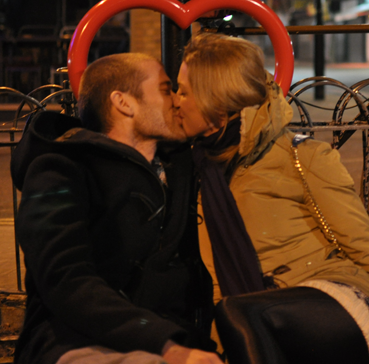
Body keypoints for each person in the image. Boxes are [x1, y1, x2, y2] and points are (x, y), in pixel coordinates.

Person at [173, 33, 369, 364]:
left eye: (184, 91)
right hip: (258, 319)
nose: (174, 100)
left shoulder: (303, 156)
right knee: (241, 315)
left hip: (339, 304)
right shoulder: (198, 167)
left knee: (239, 312)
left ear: (217, 101)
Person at [11, 53, 224, 364]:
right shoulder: (60, 168)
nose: (177, 101)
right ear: (124, 103)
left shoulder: (182, 165)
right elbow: (66, 281)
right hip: (74, 341)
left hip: (176, 339)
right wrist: (165, 343)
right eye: (166, 90)